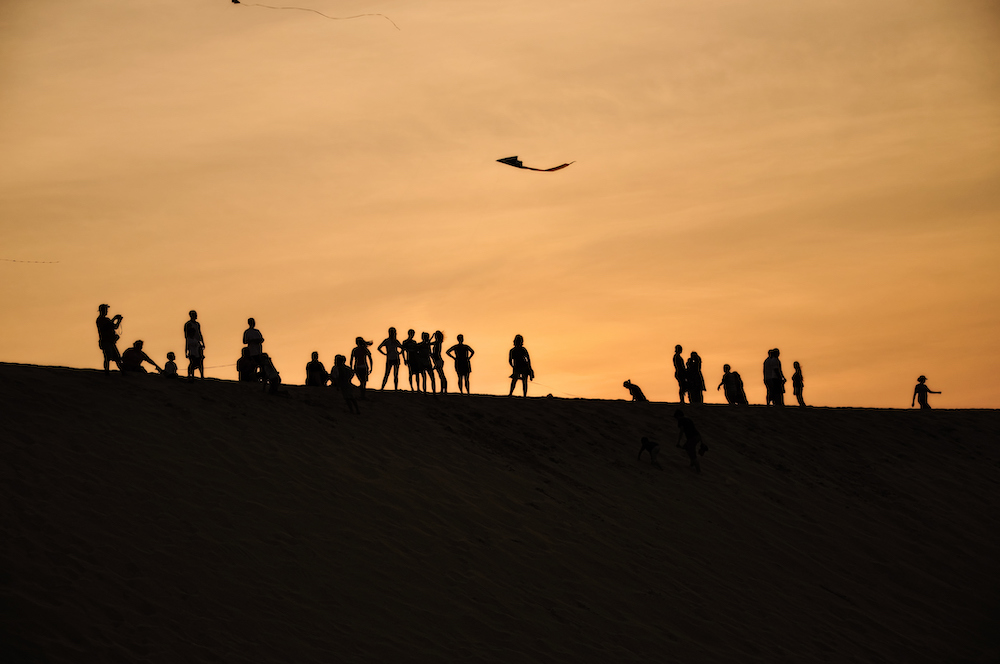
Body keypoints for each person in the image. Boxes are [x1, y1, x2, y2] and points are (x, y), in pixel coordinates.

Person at [96, 304, 124, 374]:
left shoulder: (106, 319)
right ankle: (107, 371)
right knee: (107, 357)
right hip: (105, 341)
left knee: (117, 357)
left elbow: (115, 326)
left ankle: (122, 371)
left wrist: (118, 321)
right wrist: (115, 318)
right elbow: (108, 326)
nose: (107, 311)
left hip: (110, 341)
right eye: (105, 310)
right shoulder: (100, 320)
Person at [183, 310, 205, 381]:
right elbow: (186, 335)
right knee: (192, 361)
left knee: (200, 360)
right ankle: (191, 375)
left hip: (197, 343)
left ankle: (202, 375)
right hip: (191, 343)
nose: (196, 316)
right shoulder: (188, 324)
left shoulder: (197, 324)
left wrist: (202, 342)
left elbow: (199, 333)